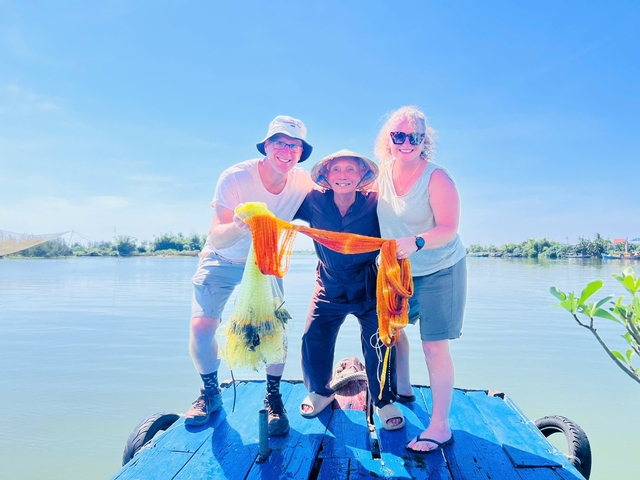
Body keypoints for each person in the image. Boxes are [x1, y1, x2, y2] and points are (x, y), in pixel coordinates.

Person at [186, 115, 315, 437]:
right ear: (267, 145)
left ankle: (273, 396)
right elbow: (217, 235)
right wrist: (243, 224)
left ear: (301, 152)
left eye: (294, 146)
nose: (287, 151)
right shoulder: (235, 177)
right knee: (202, 326)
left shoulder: (302, 181)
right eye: (280, 143)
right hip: (223, 257)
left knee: (276, 331)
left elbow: (338, 195)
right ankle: (210, 392)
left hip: (266, 261)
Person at [374, 106, 467, 453]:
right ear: (389, 139)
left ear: (423, 141)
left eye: (414, 137)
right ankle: (404, 388)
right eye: (399, 136)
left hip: (441, 267)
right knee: (392, 332)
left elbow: (448, 228)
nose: (406, 143)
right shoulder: (380, 175)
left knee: (433, 345)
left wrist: (417, 241)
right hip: (399, 270)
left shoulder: (437, 177)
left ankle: (440, 426)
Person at [295, 149, 405, 430]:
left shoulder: (376, 204)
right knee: (312, 337)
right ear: (326, 176)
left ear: (362, 177)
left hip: (368, 285)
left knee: (379, 341)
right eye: (336, 170)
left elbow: (403, 224)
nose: (342, 175)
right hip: (328, 285)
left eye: (350, 170)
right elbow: (277, 205)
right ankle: (320, 391)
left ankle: (383, 400)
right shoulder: (312, 201)